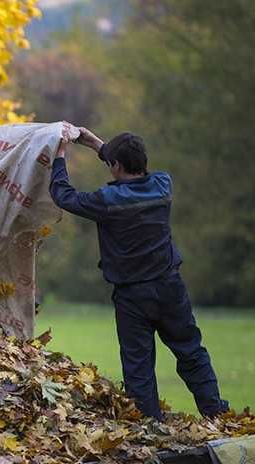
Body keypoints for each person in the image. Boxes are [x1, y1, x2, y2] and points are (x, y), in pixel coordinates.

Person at [48, 125, 228, 420]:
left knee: (139, 368)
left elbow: (64, 195)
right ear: (143, 161)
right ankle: (217, 416)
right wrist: (97, 145)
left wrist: (59, 156)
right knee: (191, 352)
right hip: (171, 288)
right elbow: (130, 166)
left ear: (116, 166)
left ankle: (149, 428)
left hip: (133, 297)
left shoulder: (106, 201)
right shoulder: (163, 186)